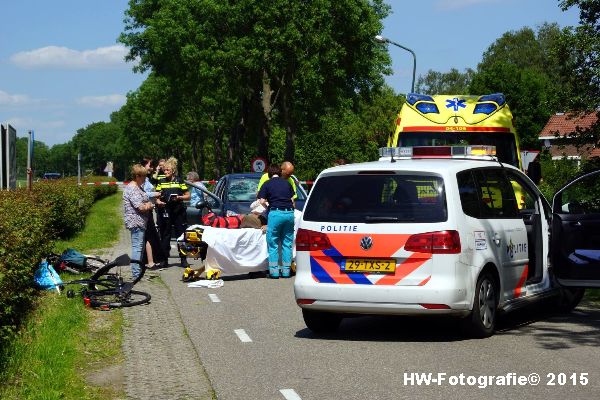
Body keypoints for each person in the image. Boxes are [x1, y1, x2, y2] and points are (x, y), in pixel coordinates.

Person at [257, 164, 295, 278]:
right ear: (280, 173)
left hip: (276, 213)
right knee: (287, 243)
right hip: (289, 214)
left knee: (273, 242)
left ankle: (274, 272)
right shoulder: (287, 183)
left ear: (269, 174)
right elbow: (292, 201)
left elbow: (262, 200)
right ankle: (286, 272)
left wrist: (268, 205)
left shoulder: (267, 184)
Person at [155, 157, 191, 268]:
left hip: (178, 211)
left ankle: (183, 259)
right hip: (165, 211)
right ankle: (164, 259)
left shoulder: (179, 181)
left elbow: (188, 195)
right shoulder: (161, 181)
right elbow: (156, 196)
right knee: (165, 235)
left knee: (181, 235)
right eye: (164, 170)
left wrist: (180, 197)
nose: (165, 172)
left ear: (173, 171)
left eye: (168, 171)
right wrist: (158, 201)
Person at [123, 164, 154, 279]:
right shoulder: (132, 188)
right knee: (137, 247)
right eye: (143, 177)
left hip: (140, 222)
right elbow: (140, 207)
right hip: (136, 222)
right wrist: (150, 205)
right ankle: (136, 274)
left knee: (139, 247)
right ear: (137, 176)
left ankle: (138, 271)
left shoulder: (137, 187)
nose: (145, 179)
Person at [141, 158, 166, 268]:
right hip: (145, 210)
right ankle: (149, 261)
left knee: (150, 236)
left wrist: (157, 201)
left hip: (149, 209)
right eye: (150, 165)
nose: (151, 168)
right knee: (149, 236)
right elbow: (143, 194)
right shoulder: (143, 180)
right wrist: (155, 194)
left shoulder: (147, 179)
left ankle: (149, 261)